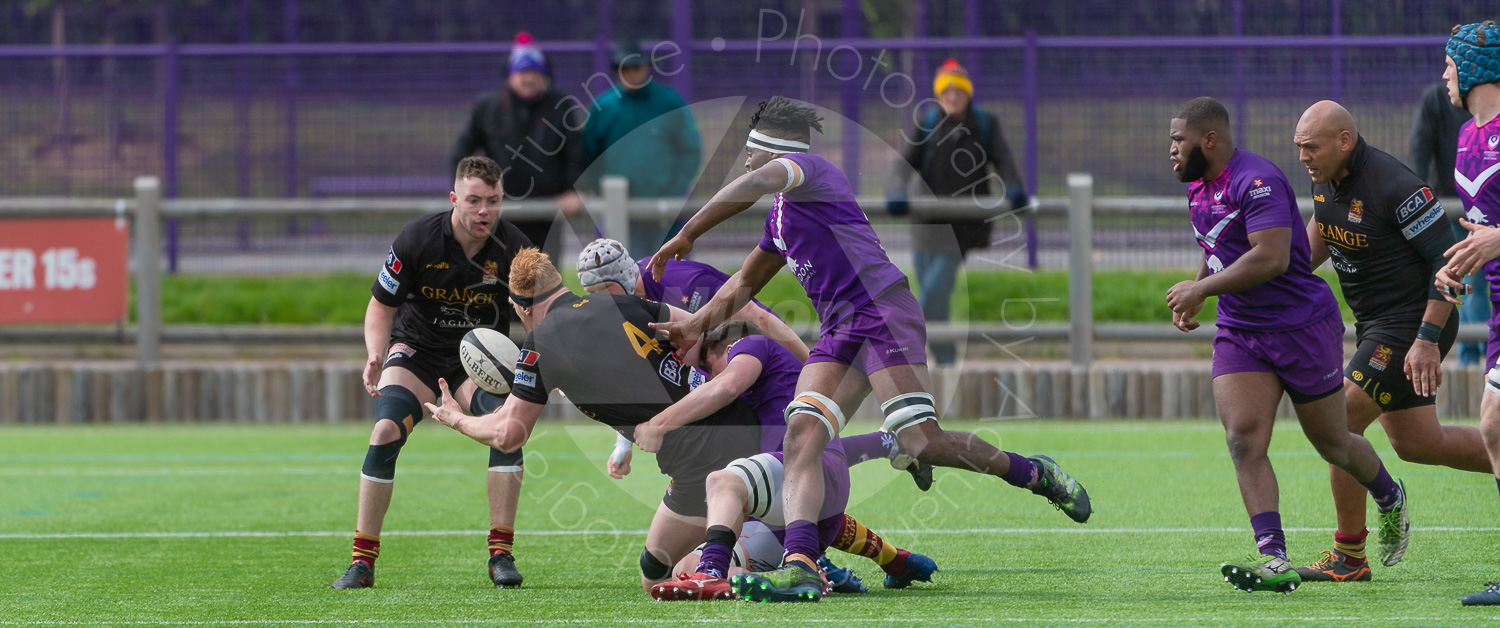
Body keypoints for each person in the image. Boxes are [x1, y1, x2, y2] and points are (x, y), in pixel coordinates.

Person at [649, 96, 1091, 602]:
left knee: (925, 442)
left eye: (751, 151)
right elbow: (742, 284)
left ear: (772, 152)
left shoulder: (810, 171)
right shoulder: (780, 217)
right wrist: (697, 329)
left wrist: (687, 233)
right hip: (839, 327)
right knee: (802, 434)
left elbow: (752, 184)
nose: (746, 162)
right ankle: (801, 563)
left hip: (882, 311)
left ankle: (1035, 473)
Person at [1164, 97, 1409, 595]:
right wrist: (1197, 287)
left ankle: (1389, 496)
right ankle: (1273, 556)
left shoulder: (1258, 181)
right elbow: (1215, 246)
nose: (1171, 149)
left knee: (1333, 443)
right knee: (1243, 439)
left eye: (1178, 140)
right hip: (1240, 330)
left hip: (1300, 327)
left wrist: (1201, 290)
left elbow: (1272, 258)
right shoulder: (1197, 183)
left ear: (1208, 141)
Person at [422, 248, 762, 594]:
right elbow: (694, 329)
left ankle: (749, 569)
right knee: (672, 561)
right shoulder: (618, 302)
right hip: (744, 423)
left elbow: (508, 435)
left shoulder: (540, 345)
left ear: (522, 307)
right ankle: (742, 552)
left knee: (655, 575)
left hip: (699, 461)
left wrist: (456, 418)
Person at [1294, 101, 1491, 583]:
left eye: (1311, 147)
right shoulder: (1324, 174)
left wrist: (1425, 339)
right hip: (1377, 325)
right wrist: (1284, 273)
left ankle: (1349, 555)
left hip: (1416, 321)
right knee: (1420, 443)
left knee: (1339, 421)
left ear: (1344, 140)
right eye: (1298, 148)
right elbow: (1323, 227)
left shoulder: (1397, 186)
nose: (1303, 157)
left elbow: (1451, 264)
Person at [331, 156, 532, 590]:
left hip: (476, 365)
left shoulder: (517, 249)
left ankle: (501, 554)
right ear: (454, 198)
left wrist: (536, 362)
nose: (484, 212)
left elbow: (540, 317)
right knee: (385, 432)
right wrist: (374, 354)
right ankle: (361, 562)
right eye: (474, 201)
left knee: (509, 431)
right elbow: (381, 305)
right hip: (415, 354)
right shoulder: (417, 239)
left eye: (493, 202)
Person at [647, 321, 937, 600]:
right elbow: (822, 490)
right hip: (802, 510)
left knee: (723, 482)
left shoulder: (752, 343)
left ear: (731, 346)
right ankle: (795, 575)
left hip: (807, 490)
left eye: (710, 367)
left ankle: (716, 572)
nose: (710, 378)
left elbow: (729, 384)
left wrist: (660, 424)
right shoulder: (768, 413)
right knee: (683, 568)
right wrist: (891, 558)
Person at [886, 58, 1029, 365]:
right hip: (925, 225)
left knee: (935, 291)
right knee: (934, 297)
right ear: (939, 96)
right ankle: (946, 357)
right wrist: (896, 191)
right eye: (946, 92)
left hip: (962, 228)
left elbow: (1003, 160)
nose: (952, 98)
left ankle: (898, 346)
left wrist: (1014, 187)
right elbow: (903, 163)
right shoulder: (927, 123)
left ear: (967, 95)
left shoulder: (985, 124)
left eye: (958, 92)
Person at [1431, 20, 1500, 607]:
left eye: (1450, 64)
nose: (1444, 75)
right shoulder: (1467, 138)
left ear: (1477, 68)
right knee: (1495, 428)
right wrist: (1457, 267)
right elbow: (1480, 231)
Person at [449, 32, 587, 259]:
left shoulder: (561, 106)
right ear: (510, 76)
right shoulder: (488, 107)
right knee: (498, 276)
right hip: (499, 211)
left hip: (548, 210)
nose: (529, 79)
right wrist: (465, 191)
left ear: (546, 77)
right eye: (523, 72)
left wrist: (572, 190)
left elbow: (575, 151)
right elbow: (461, 152)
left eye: (535, 73)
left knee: (545, 278)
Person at [583, 40, 702, 255]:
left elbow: (690, 149)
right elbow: (589, 152)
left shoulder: (668, 102)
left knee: (671, 272)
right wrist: (601, 188)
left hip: (666, 207)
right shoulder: (604, 106)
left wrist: (675, 189)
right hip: (619, 206)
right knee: (623, 273)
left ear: (647, 67)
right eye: (623, 68)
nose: (629, 74)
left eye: (635, 67)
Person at [1410, 80, 1486, 365]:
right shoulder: (1438, 100)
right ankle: (1475, 353)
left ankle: (1475, 353)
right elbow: (1419, 153)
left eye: (1450, 67)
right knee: (1470, 281)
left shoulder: (1440, 99)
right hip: (1456, 206)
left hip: (1468, 204)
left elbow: (1419, 151)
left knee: (1468, 279)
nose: (1446, 75)